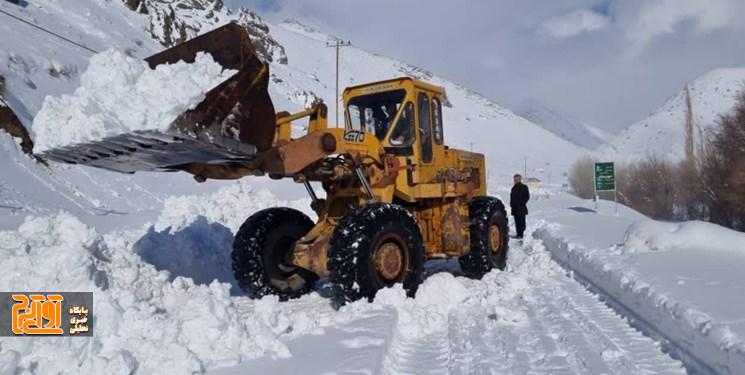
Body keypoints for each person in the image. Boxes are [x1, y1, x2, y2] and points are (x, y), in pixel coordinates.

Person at [510, 174, 530, 239]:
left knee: (522, 223)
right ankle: (518, 234)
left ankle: (521, 235)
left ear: (520, 179)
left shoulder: (524, 187)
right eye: (514, 179)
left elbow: (527, 197)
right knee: (517, 222)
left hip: (521, 208)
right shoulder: (513, 188)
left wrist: (521, 203)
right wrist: (511, 204)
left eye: (516, 179)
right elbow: (512, 197)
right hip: (515, 208)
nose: (515, 180)